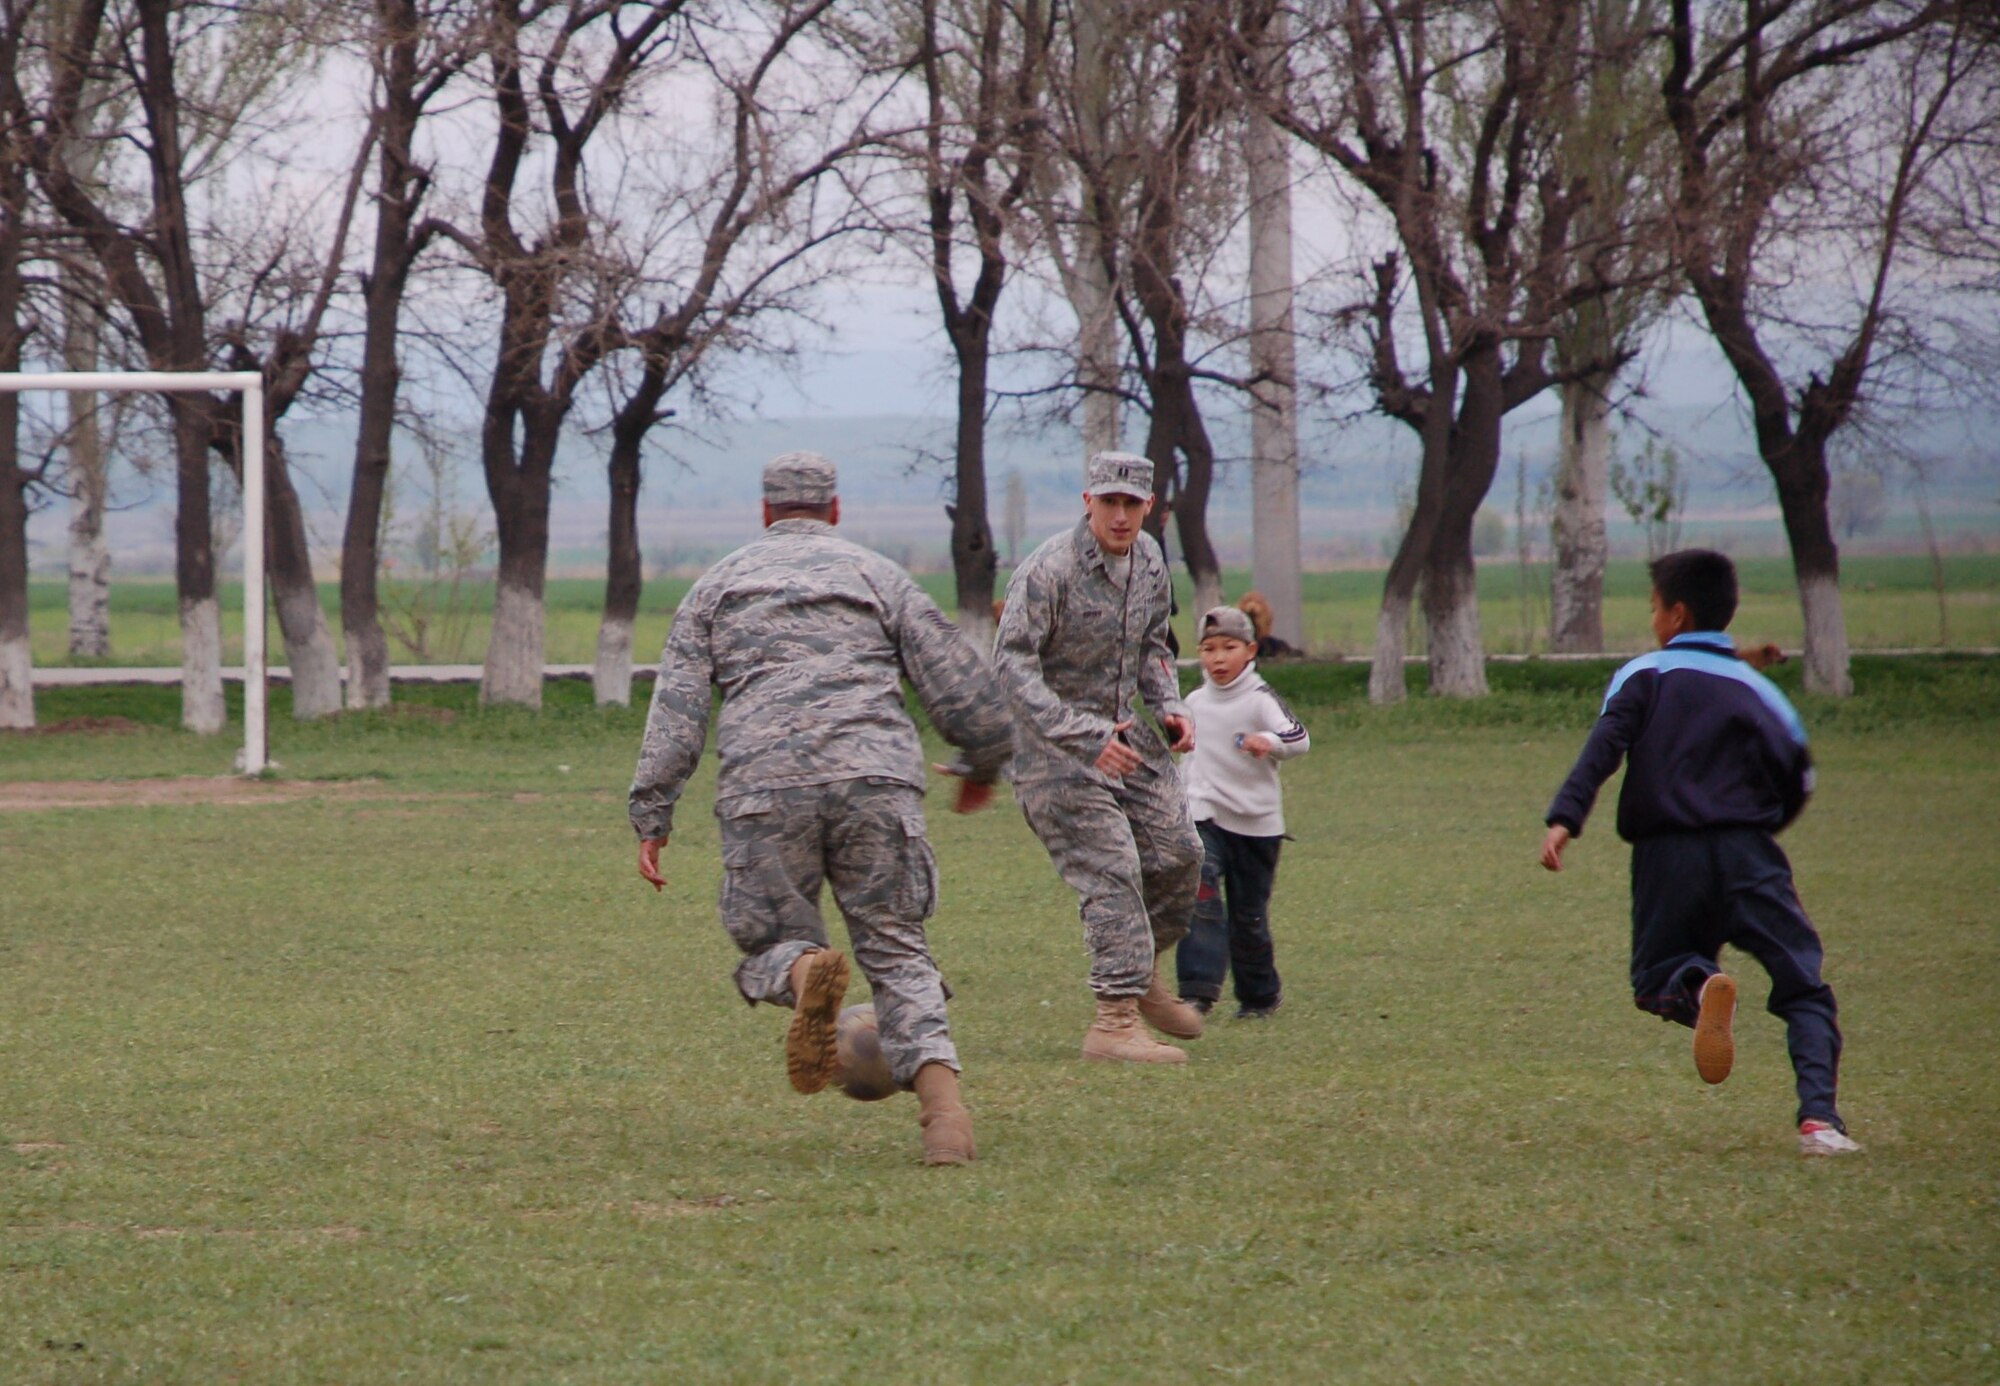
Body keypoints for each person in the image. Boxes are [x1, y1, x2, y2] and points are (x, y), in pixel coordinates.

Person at [629, 452, 1013, 1166]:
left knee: (770, 938)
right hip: (876, 778)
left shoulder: (717, 586)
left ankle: (807, 974)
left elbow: (677, 714)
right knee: (898, 948)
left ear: (765, 512)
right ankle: (947, 1122)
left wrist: (652, 815)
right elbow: (966, 692)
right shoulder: (877, 576)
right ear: (835, 511)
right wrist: (980, 763)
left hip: (764, 787)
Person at [1539, 549, 1860, 1157]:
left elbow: (1603, 748)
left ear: (1677, 615)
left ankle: (1701, 982)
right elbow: (1800, 774)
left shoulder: (1643, 675)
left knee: (1656, 975)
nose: (1652, 619)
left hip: (1667, 856)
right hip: (1749, 853)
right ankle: (1820, 1121)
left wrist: (1565, 819)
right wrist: (1766, 825)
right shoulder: (1756, 688)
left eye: (1655, 607)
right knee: (1803, 985)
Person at [994, 451, 1206, 1064]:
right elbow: (1010, 667)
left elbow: (1153, 648)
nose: (1119, 515)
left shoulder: (1150, 563)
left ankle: (1141, 978)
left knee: (1179, 854)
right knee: (1114, 865)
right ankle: (1112, 1025)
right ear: (1087, 503)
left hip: (1125, 739)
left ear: (1150, 508)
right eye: (1108, 502)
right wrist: (1082, 736)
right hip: (1054, 751)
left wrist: (1170, 705)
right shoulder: (1049, 570)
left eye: (1131, 504)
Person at [1175, 606, 1311, 1019]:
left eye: (1229, 648)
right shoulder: (1193, 701)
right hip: (1205, 817)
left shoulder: (1259, 698)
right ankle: (1196, 994)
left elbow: (1298, 738)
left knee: (1248, 920)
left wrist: (1267, 741)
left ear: (1250, 650)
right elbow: (1186, 754)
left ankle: (1260, 997)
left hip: (1257, 827)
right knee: (1200, 893)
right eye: (1209, 648)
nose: (1218, 658)